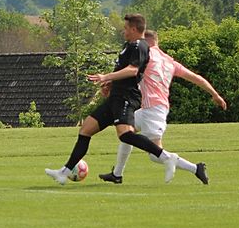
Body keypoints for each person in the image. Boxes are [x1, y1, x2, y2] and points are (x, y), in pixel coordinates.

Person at [44, 14, 178, 185]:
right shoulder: (128, 45)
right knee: (85, 129)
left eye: (126, 28)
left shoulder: (140, 46)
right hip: (116, 96)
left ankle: (166, 157)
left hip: (126, 97)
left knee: (125, 135)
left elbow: (132, 70)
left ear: (134, 29)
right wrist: (109, 83)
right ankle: (64, 172)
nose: (123, 31)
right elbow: (122, 70)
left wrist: (105, 76)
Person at [99, 30, 227, 185]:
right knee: (126, 133)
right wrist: (215, 95)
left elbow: (130, 72)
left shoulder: (146, 55)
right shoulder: (170, 61)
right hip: (153, 108)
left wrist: (109, 82)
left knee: (155, 155)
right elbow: (196, 78)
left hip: (153, 111)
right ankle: (117, 174)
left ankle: (195, 168)